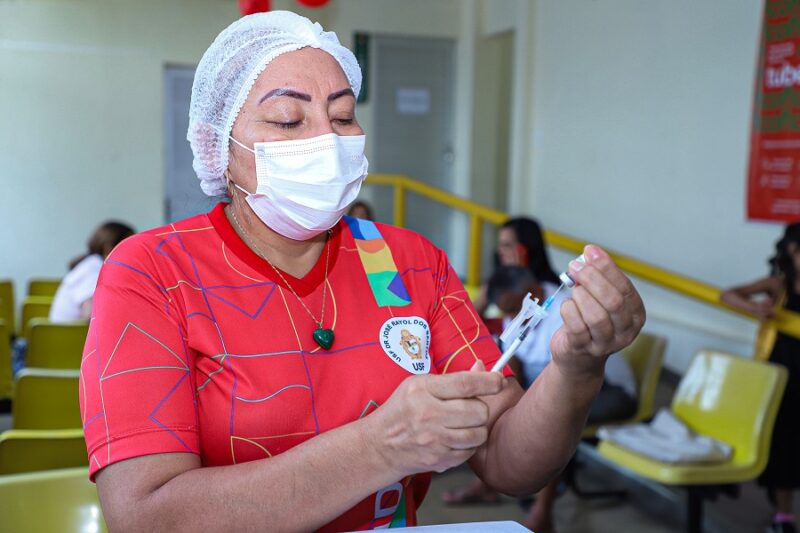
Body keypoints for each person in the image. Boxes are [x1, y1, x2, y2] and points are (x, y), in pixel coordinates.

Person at [79, 11, 645, 532]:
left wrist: (577, 368)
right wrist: (382, 447)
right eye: (287, 118)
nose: (326, 139)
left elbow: (509, 463)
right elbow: (147, 515)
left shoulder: (410, 262)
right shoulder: (153, 271)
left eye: (344, 115)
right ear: (217, 148)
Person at [445, 266, 638, 533]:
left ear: (533, 291)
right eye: (507, 312)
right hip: (554, 383)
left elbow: (562, 389)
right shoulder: (519, 309)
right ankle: (487, 485)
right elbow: (515, 365)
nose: (512, 318)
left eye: (514, 309)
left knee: (549, 420)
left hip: (611, 393)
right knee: (499, 406)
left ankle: (542, 514)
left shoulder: (565, 314)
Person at [721, 223, 800, 533]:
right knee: (784, 442)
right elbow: (728, 294)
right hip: (782, 376)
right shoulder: (779, 285)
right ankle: (784, 517)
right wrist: (756, 309)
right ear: (792, 253)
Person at [49, 221, 135, 323]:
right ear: (108, 247)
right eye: (129, 247)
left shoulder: (91, 264)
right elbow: (89, 314)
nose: (134, 253)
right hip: (69, 337)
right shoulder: (94, 268)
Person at [473, 217, 560, 317]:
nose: (500, 251)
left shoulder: (548, 289)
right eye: (500, 245)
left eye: (507, 245)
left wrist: (519, 276)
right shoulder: (500, 281)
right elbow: (470, 318)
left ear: (525, 249)